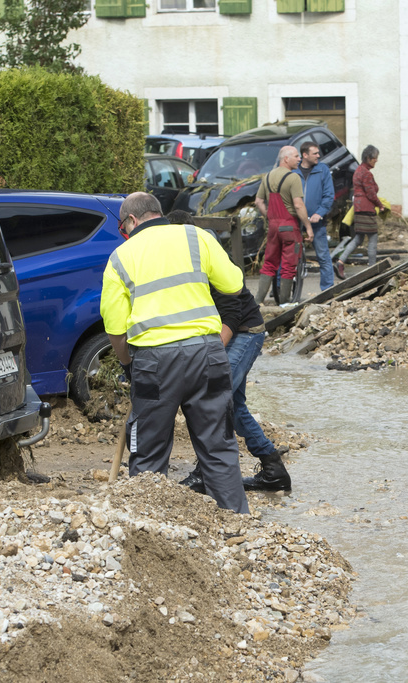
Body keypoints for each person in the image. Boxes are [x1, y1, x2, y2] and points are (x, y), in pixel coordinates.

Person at [100, 192, 249, 513]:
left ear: (131, 222)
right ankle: (240, 528)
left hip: (154, 364)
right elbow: (234, 285)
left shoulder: (120, 257)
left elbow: (115, 328)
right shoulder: (197, 237)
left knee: (149, 454)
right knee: (219, 449)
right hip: (207, 357)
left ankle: (148, 528)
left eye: (122, 227)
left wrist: (128, 365)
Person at [164, 210, 293, 493]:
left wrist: (209, 353)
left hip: (244, 333)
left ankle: (205, 473)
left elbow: (232, 314)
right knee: (234, 406)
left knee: (215, 400)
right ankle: (274, 470)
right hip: (229, 333)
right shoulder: (181, 255)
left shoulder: (205, 255)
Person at [254, 146, 314, 304]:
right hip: (289, 227)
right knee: (288, 265)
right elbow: (299, 205)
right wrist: (308, 227)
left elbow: (259, 202)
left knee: (269, 263)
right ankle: (284, 302)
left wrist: (270, 216)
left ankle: (258, 300)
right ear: (286, 158)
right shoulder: (293, 178)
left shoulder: (267, 177)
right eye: (296, 156)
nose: (299, 159)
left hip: (273, 227)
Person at [336, 145, 385, 279]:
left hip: (358, 208)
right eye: (375, 158)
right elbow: (371, 193)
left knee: (358, 238)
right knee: (373, 238)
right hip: (366, 209)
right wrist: (380, 206)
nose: (376, 160)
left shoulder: (358, 170)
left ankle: (340, 262)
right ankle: (373, 268)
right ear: (368, 158)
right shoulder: (366, 173)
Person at [295, 141, 337, 291]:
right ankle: (283, 289)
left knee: (323, 256)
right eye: (315, 153)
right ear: (305, 155)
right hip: (296, 221)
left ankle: (328, 289)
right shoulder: (294, 170)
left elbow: (329, 194)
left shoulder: (322, 170)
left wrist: (319, 213)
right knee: (290, 256)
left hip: (317, 222)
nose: (318, 156)